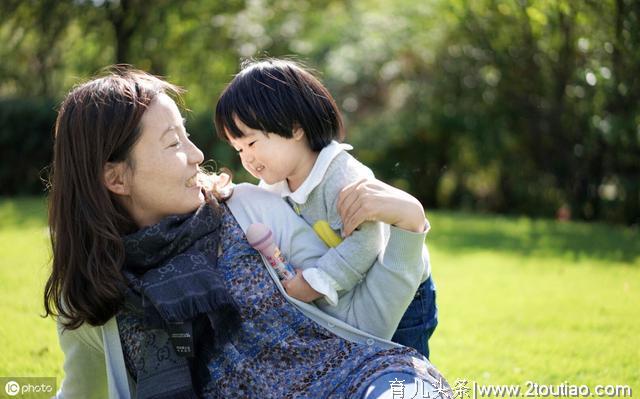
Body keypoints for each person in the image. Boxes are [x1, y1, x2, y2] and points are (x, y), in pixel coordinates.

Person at [45, 67, 450, 398]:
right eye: (174, 144)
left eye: (188, 135)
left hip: (360, 383)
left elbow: (362, 329)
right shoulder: (93, 291)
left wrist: (411, 225)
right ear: (116, 177)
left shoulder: (247, 209)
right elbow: (81, 390)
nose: (198, 155)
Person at [214, 58, 437, 358]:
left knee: (404, 363)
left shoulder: (340, 177)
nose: (247, 159)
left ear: (295, 128)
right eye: (238, 150)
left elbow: (366, 240)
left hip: (403, 290)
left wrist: (318, 280)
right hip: (352, 294)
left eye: (252, 143)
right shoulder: (275, 185)